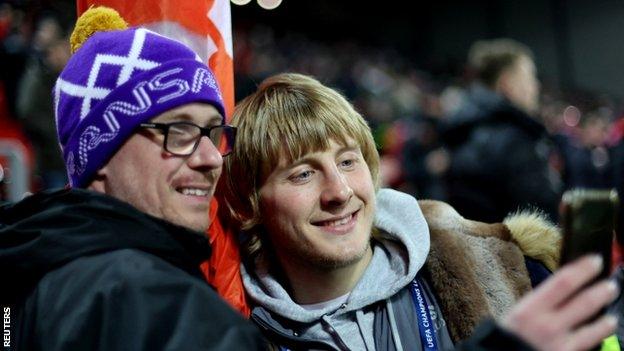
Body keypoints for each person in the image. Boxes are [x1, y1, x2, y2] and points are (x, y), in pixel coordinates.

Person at [222, 72, 619, 350]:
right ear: (251, 202)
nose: (339, 192)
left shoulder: (506, 266)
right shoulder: (233, 335)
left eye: (348, 161)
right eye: (303, 174)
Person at [0, 7, 262, 350]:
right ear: (101, 150)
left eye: (213, 134)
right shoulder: (187, 322)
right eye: (180, 130)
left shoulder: (24, 268)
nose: (212, 159)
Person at [443, 38, 563, 223]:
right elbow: (539, 222)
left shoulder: (462, 131)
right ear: (507, 83)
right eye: (530, 77)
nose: (535, 86)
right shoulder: (515, 139)